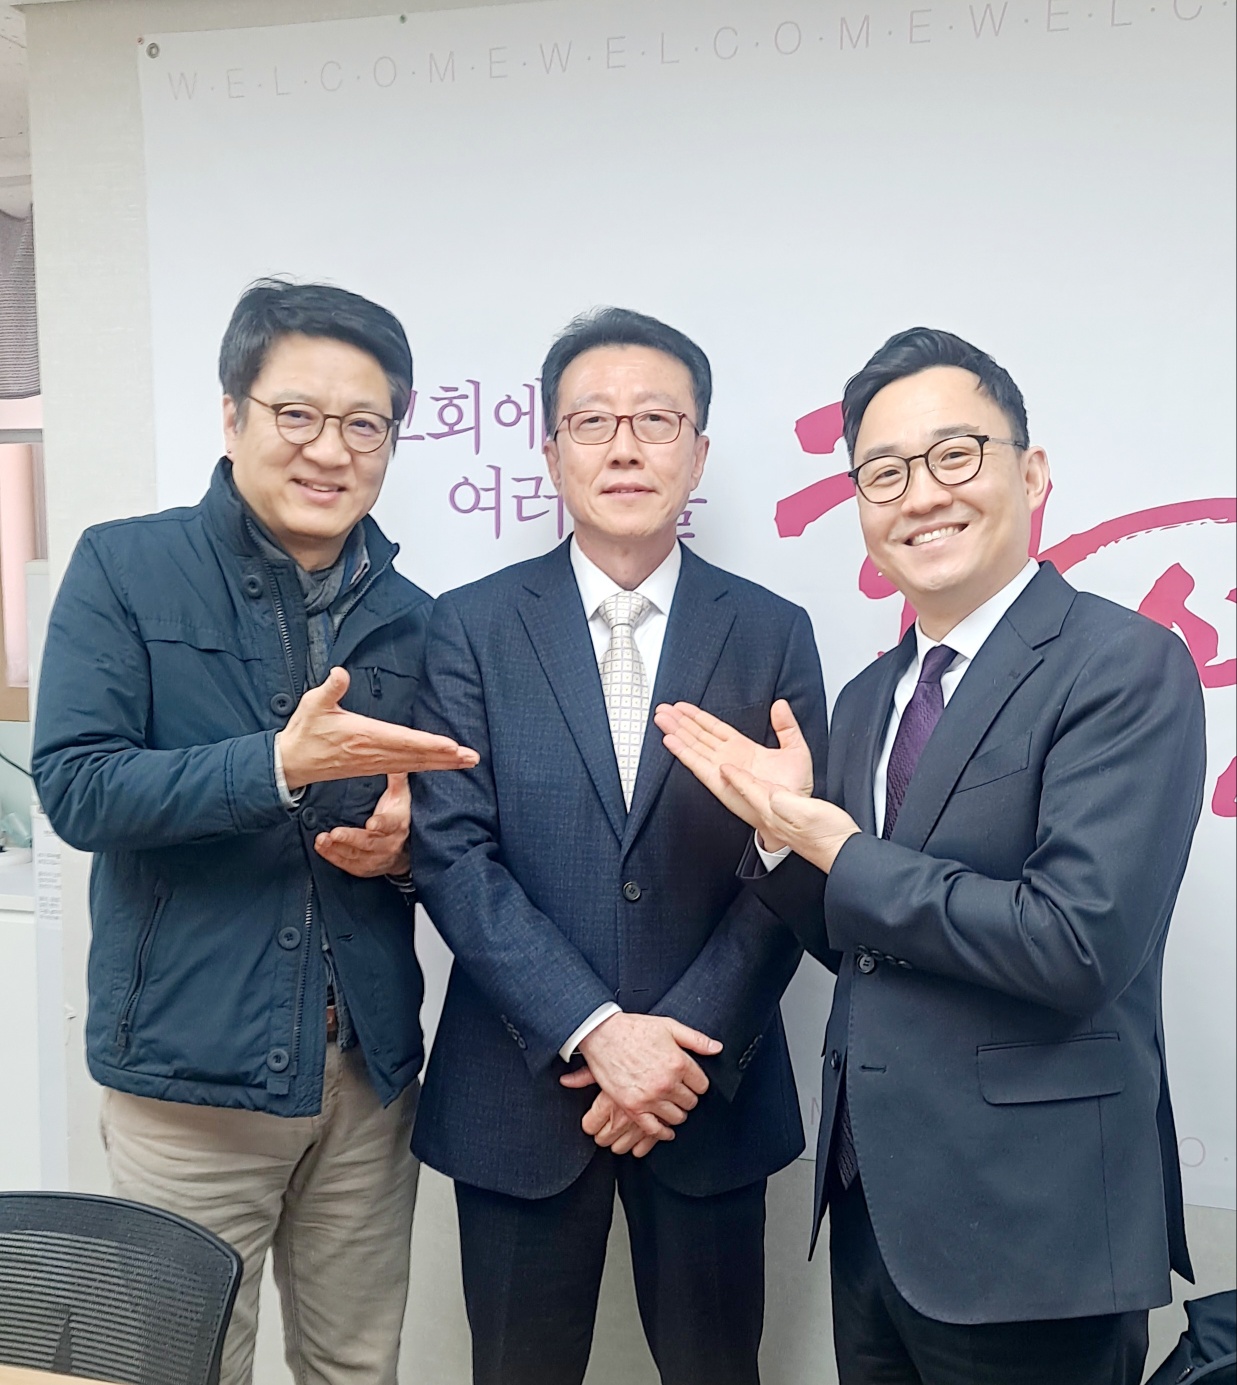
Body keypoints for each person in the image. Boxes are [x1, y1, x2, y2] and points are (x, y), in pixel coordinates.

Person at [656, 327, 1207, 1385]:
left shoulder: (1123, 664)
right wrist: (780, 837)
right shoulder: (870, 695)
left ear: (1030, 474)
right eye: (884, 472)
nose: (920, 495)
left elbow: (1075, 943)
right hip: (872, 1210)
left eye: (954, 455)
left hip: (1034, 1230)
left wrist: (839, 845)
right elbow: (862, 942)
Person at [32, 279, 477, 1385]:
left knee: (355, 1366)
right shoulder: (124, 567)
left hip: (366, 1075)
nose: (330, 449)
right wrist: (276, 765)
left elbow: (433, 828)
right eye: (297, 414)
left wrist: (406, 852)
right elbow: (78, 787)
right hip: (189, 1079)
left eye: (364, 424)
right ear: (232, 415)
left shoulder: (418, 619)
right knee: (179, 1368)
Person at [408, 307, 829, 1385]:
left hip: (706, 1089)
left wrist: (674, 1049)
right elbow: (454, 854)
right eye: (592, 421)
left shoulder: (772, 629)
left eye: (656, 419)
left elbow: (793, 857)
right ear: (550, 453)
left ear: (700, 451)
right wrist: (596, 1029)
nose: (625, 446)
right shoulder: (469, 626)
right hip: (520, 1088)